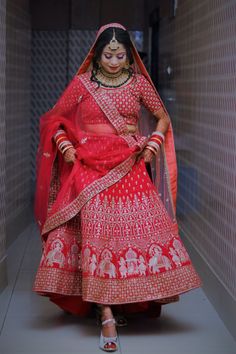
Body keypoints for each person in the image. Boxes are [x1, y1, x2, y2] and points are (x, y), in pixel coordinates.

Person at [33, 23, 201, 352]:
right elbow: (54, 118)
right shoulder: (83, 84)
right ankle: (105, 311)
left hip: (129, 165)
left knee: (132, 235)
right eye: (107, 54)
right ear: (96, 55)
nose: (113, 61)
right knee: (96, 234)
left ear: (129, 57)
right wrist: (64, 144)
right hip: (89, 168)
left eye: (120, 55)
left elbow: (161, 115)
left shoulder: (138, 83)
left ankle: (124, 301)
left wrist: (154, 139)